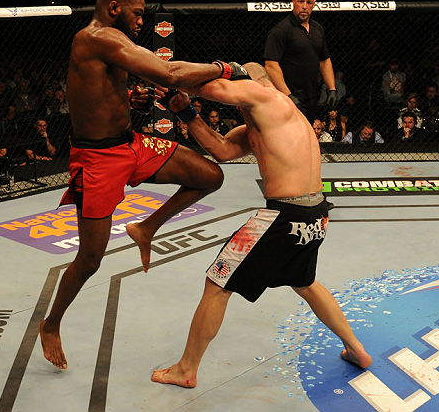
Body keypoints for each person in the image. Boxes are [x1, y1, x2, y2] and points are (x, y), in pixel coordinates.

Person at [39, 0, 243, 370]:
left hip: (130, 144)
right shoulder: (97, 38)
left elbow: (94, 90)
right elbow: (169, 75)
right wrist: (224, 68)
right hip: (97, 159)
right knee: (91, 259)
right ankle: (51, 324)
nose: (141, 21)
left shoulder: (111, 46)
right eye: (136, 14)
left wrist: (125, 96)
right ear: (114, 8)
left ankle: (146, 228)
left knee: (210, 175)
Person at [151, 62, 371, 388]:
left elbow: (205, 86)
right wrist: (186, 113)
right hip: (314, 216)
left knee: (217, 283)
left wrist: (165, 77)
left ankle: (186, 370)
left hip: (284, 216)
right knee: (305, 281)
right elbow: (222, 150)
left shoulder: (269, 99)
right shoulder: (258, 124)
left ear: (256, 84)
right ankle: (356, 349)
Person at [263, 0, 336, 123]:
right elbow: (271, 65)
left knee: (307, 139)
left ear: (313, 4)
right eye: (301, 1)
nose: (304, 6)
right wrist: (288, 96)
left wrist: (332, 88)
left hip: (310, 96)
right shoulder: (281, 30)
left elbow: (324, 60)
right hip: (286, 98)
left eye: (308, 2)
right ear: (293, 1)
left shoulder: (317, 29)